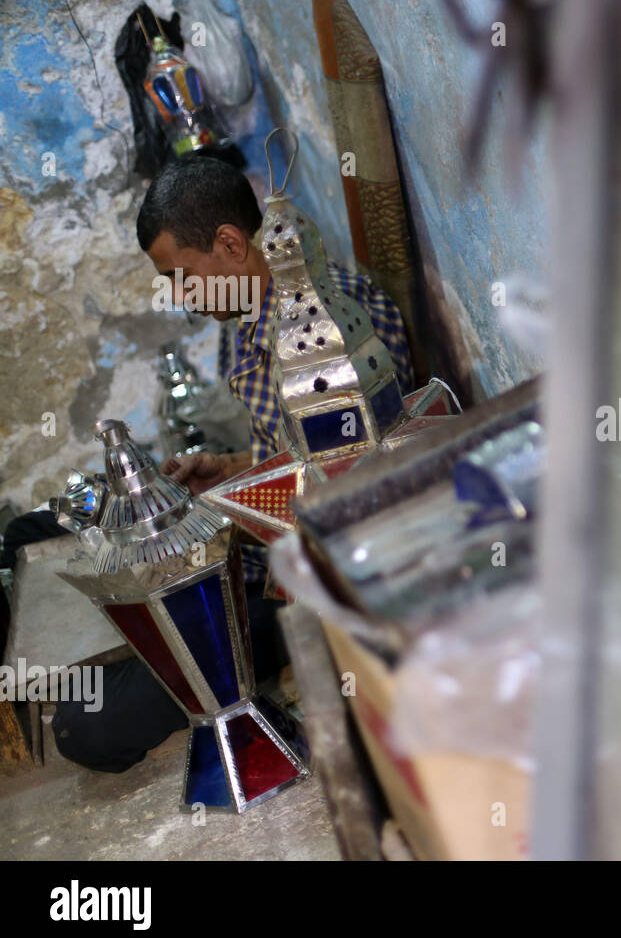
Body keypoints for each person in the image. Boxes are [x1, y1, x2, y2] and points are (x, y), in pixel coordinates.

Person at [30, 154, 414, 772]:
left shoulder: (330, 326)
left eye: (181, 276)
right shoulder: (247, 316)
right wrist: (232, 469)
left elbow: (353, 489)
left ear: (231, 244)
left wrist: (246, 509)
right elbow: (295, 455)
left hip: (298, 583)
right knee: (51, 532)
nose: (181, 299)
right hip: (263, 554)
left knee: (85, 726)